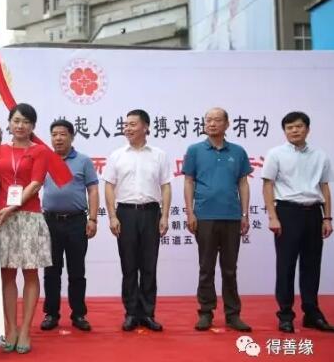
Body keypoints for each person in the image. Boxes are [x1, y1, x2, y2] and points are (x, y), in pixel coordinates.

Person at [262, 111, 334, 333]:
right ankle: (285, 314)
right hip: (287, 212)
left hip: (314, 212)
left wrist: (327, 217)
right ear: (285, 131)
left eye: (299, 126)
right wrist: (273, 216)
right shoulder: (276, 154)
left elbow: (324, 187)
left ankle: (311, 312)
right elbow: (267, 185)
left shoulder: (320, 155)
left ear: (307, 129)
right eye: (289, 127)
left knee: (312, 265)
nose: (294, 130)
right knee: (286, 266)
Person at [183, 107, 252, 332]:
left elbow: (243, 183)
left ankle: (233, 314)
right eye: (208, 120)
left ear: (227, 124)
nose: (212, 124)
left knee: (230, 269)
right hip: (204, 216)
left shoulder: (238, 152)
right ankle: (205, 312)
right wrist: (190, 212)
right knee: (206, 267)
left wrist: (244, 214)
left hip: (232, 216)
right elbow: (189, 181)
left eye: (217, 120)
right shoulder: (195, 150)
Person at [103, 110, 171, 332]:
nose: (128, 128)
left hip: (151, 213)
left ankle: (148, 313)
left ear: (146, 127)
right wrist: (112, 216)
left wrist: (165, 215)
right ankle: (131, 313)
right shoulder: (117, 155)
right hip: (126, 213)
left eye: (133, 124)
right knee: (129, 265)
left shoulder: (159, 155)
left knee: (149, 265)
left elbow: (166, 186)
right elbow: (109, 186)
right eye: (126, 125)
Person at [0, 103, 51, 354]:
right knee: (6, 275)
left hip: (29, 216)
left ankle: (26, 329)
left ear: (33, 126)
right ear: (9, 123)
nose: (20, 126)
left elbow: (36, 183)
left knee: (30, 274)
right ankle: (11, 328)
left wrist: (12, 206)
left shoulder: (40, 151)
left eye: (26, 122)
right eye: (16, 121)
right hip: (1, 217)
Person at [40, 119, 99, 332]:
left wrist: (93, 219)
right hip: (50, 222)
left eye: (63, 134)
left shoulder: (83, 161)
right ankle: (51, 314)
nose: (58, 138)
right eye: (54, 134)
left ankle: (79, 314)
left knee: (77, 271)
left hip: (76, 222)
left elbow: (93, 190)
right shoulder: (44, 159)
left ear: (72, 137)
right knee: (51, 271)